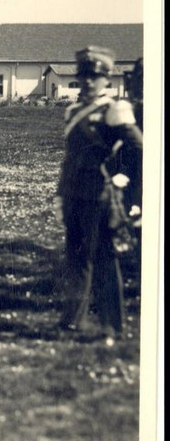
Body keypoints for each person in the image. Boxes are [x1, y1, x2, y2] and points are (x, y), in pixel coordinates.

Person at [55, 46, 142, 344]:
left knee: (104, 260)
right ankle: (72, 320)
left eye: (96, 76)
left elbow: (138, 148)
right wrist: (61, 194)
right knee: (76, 260)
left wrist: (123, 176)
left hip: (100, 195)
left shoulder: (114, 110)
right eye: (85, 76)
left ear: (107, 79)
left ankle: (111, 327)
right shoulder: (73, 111)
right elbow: (71, 157)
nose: (89, 82)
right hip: (74, 193)